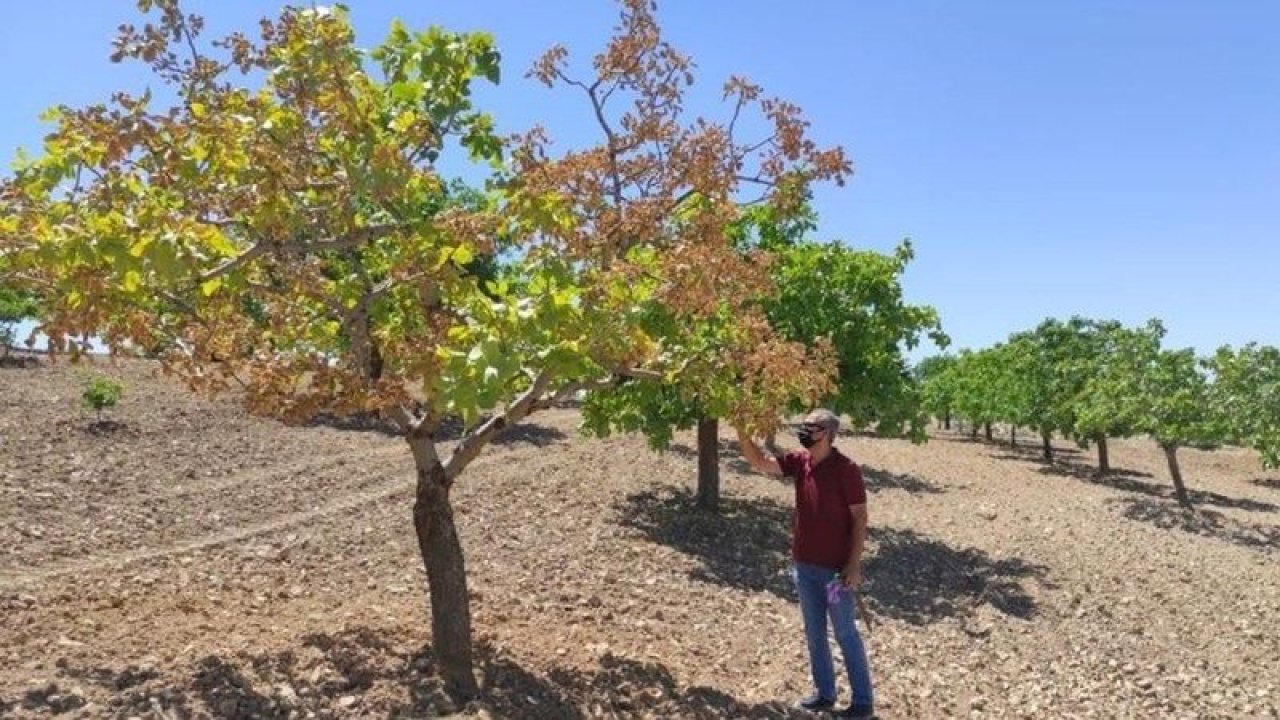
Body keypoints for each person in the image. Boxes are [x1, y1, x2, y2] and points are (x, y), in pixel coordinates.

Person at [736, 409, 874, 719]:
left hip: (836, 575)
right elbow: (760, 463)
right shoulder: (800, 462)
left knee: (845, 633)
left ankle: (863, 703)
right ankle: (825, 694)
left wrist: (853, 565)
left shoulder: (846, 469)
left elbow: (860, 517)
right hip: (805, 569)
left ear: (827, 432)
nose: (804, 430)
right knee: (814, 634)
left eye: (810, 426)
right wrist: (741, 430)